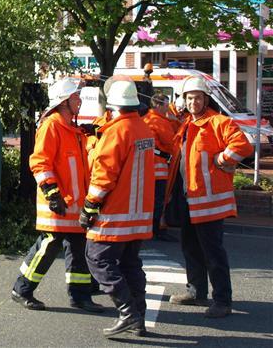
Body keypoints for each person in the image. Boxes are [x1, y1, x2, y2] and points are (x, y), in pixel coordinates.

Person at [10, 77, 104, 313]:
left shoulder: (71, 128)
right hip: (58, 203)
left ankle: (80, 296)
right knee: (49, 245)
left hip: (73, 205)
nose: (80, 101)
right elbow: (40, 163)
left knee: (78, 247)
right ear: (65, 101)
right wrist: (52, 194)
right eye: (76, 97)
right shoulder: (52, 126)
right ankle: (22, 289)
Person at [168, 76, 253, 318]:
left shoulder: (219, 122)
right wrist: (174, 103)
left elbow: (243, 147)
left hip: (210, 202)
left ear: (206, 99)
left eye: (198, 97)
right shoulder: (186, 124)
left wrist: (222, 160)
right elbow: (165, 118)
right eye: (189, 97)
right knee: (190, 248)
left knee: (212, 252)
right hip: (188, 199)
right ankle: (196, 292)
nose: (193, 102)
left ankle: (222, 300)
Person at [79, 79, 156, 337]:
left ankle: (128, 313)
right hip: (139, 215)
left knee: (97, 258)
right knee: (130, 265)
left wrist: (89, 206)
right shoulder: (144, 129)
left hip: (116, 214)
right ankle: (139, 318)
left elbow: (104, 175)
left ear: (112, 105)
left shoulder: (116, 131)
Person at [143, 92, 178, 242]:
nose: (168, 107)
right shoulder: (159, 122)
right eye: (166, 104)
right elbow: (172, 142)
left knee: (148, 200)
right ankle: (157, 229)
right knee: (158, 200)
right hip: (159, 168)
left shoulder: (146, 119)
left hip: (147, 167)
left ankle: (149, 228)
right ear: (158, 105)